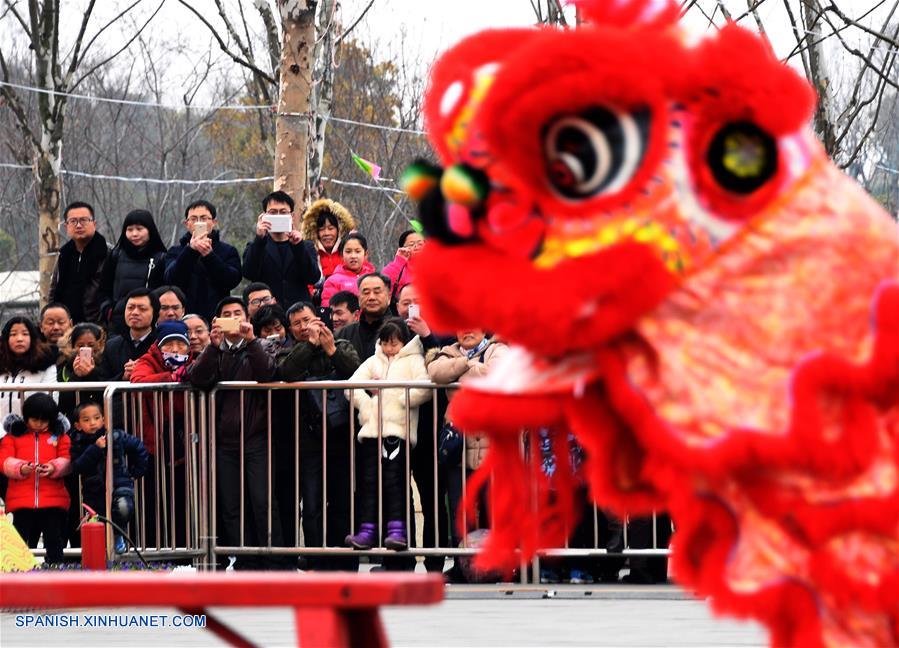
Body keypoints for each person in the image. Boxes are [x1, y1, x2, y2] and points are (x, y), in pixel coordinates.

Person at [188, 296, 284, 569]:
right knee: (230, 505)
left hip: (257, 437)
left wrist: (252, 340)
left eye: (237, 313)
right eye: (226, 313)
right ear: (216, 321)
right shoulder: (215, 349)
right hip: (223, 440)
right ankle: (244, 560)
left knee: (263, 502)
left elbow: (267, 374)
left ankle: (274, 561)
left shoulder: (262, 345)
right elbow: (197, 379)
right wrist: (213, 348)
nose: (233, 317)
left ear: (247, 319)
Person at [278, 302, 360, 567]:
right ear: (290, 328)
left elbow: (355, 372)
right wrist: (309, 345)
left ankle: (343, 558)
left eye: (307, 320)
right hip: (307, 439)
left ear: (319, 318)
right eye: (298, 323)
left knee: (341, 501)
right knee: (311, 503)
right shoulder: (289, 349)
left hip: (340, 436)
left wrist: (331, 349)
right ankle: (316, 556)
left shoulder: (341, 343)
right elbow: (287, 372)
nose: (304, 327)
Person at [345, 318, 431, 551]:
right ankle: (367, 531)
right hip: (372, 431)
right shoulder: (373, 360)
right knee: (368, 482)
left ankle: (397, 531)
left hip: (398, 431)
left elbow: (425, 387)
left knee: (395, 482)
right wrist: (367, 405)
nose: (389, 348)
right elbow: (350, 385)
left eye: (394, 343)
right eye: (385, 343)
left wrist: (396, 396)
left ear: (404, 341)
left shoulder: (415, 360)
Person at [427, 329, 508, 549]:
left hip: (493, 444)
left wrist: (459, 372)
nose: (467, 331)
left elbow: (497, 374)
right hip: (459, 445)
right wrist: (468, 363)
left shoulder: (497, 349)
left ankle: (495, 566)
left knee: (493, 508)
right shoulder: (447, 351)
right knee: (460, 510)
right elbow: (436, 373)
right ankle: (463, 565)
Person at [130, 320, 196, 550]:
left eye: (181, 344)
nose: (176, 350)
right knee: (152, 500)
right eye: (170, 344)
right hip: (153, 441)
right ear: (159, 346)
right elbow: (137, 380)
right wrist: (171, 378)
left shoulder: (194, 360)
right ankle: (151, 551)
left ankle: (185, 553)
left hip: (185, 439)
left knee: (183, 500)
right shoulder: (149, 360)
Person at [70, 400, 150, 553]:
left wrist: (136, 471)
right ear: (78, 425)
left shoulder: (116, 435)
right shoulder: (77, 442)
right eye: (86, 420)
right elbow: (77, 466)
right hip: (94, 490)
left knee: (124, 508)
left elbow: (139, 447)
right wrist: (95, 448)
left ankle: (118, 534)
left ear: (104, 419)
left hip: (120, 484)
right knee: (98, 521)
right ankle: (103, 553)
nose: (93, 423)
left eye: (97, 418)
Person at [0, 393, 71, 564]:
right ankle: (16, 569)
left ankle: (56, 569)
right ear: (26, 418)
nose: (39, 424)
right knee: (19, 539)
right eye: (34, 420)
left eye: (44, 420)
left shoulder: (60, 436)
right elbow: (4, 460)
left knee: (54, 539)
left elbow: (67, 459)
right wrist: (21, 468)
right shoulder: (13, 437)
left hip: (52, 499)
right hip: (21, 499)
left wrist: (54, 467)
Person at [164, 199, 242, 320]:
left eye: (204, 218)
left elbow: (232, 281)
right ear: (187, 224)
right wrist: (190, 250)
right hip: (184, 315)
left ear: (214, 222)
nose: (199, 223)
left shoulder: (228, 251)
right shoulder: (175, 251)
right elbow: (171, 279)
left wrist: (209, 256)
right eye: (194, 219)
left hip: (217, 315)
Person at [243, 191, 320, 307]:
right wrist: (259, 238)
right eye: (273, 212)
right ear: (264, 216)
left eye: (283, 212)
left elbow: (313, 277)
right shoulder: (256, 246)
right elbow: (249, 273)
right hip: (267, 312)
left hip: (299, 312)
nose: (278, 216)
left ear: (292, 216)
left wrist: (298, 246)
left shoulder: (305, 246)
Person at [98, 209, 167, 334]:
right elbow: (103, 288)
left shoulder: (161, 258)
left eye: (139, 229)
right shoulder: (116, 255)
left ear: (150, 230)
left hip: (149, 321)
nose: (134, 234)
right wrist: (108, 310)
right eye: (129, 230)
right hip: (118, 320)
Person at [49, 201, 108, 324]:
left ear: (94, 224)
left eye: (84, 220)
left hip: (97, 326)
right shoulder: (64, 255)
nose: (79, 225)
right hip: (65, 327)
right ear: (66, 226)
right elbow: (54, 290)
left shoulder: (107, 255)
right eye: (73, 221)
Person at [0, 316, 57, 422]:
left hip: (33, 430)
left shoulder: (46, 365)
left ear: (33, 338)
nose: (19, 339)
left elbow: (50, 402)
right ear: (6, 338)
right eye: (13, 334)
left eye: (25, 334)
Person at [98, 288, 158, 382]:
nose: (135, 313)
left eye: (142, 309)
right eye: (130, 307)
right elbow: (102, 382)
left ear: (154, 313)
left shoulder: (161, 344)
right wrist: (123, 377)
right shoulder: (112, 345)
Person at [335, 273, 392, 361]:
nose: (371, 297)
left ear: (389, 297)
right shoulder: (344, 333)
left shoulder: (401, 329)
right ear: (359, 298)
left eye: (377, 292)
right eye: (366, 293)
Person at [56, 322, 106, 419]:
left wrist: (92, 374)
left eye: (91, 345)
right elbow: (62, 399)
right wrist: (76, 375)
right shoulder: (65, 366)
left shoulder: (105, 362)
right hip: (73, 420)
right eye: (80, 345)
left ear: (99, 344)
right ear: (73, 346)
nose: (86, 348)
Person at [300, 199, 356, 281]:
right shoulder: (309, 254)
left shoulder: (349, 253)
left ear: (339, 230)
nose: (326, 233)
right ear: (315, 232)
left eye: (331, 228)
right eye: (322, 229)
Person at [320, 233, 376, 307]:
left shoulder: (374, 278)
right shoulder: (333, 281)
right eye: (348, 251)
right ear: (341, 255)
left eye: (357, 251)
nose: (353, 256)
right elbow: (328, 309)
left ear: (365, 254)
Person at [382, 229, 425, 306]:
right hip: (402, 313)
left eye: (420, 244)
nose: (416, 247)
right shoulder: (397, 267)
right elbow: (383, 286)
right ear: (402, 248)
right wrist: (399, 261)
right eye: (411, 244)